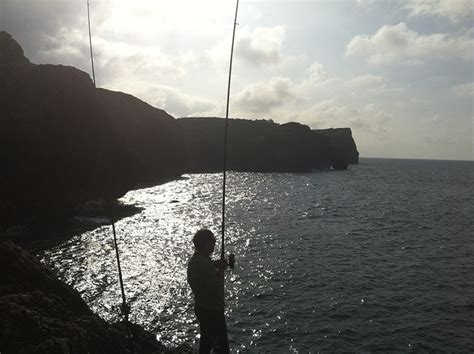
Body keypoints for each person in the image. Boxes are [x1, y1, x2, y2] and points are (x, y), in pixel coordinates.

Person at [187, 229, 229, 353]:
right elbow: (214, 286)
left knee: (206, 343)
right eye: (213, 241)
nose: (215, 244)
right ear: (207, 243)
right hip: (212, 311)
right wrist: (221, 269)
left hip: (202, 307)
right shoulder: (204, 264)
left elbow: (204, 270)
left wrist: (215, 265)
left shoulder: (196, 260)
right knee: (221, 348)